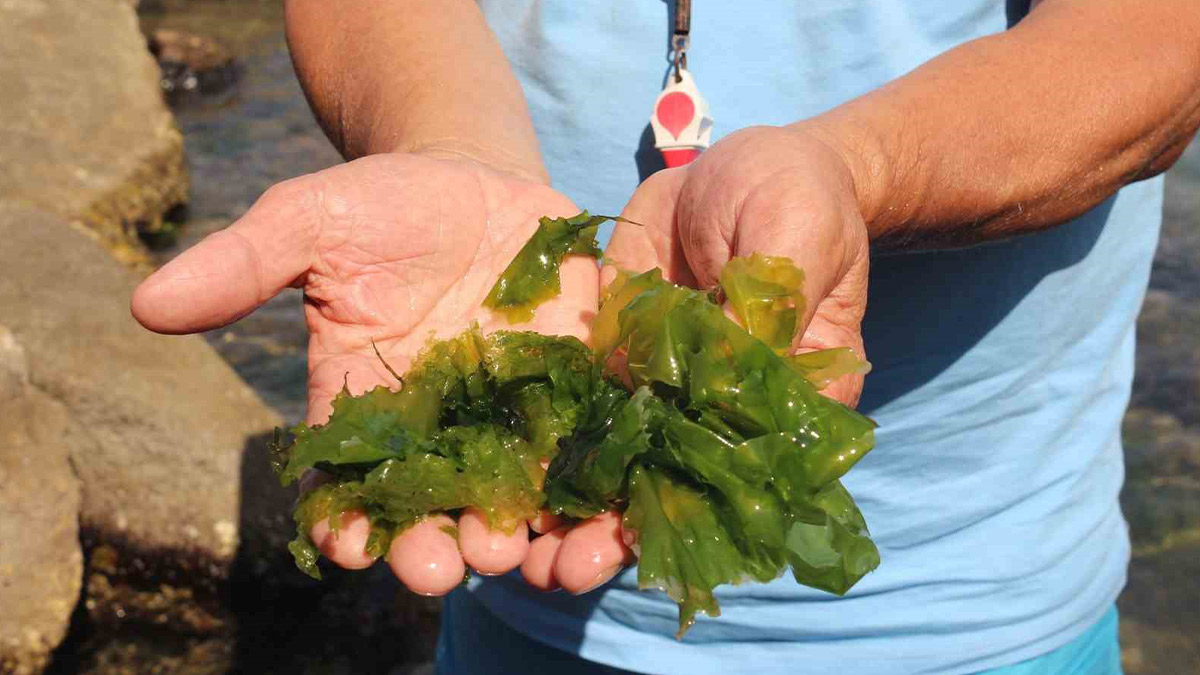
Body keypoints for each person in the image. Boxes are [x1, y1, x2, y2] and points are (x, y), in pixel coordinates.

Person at [131, 1, 1200, 673]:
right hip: (521, 600)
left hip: (973, 606)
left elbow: (1158, 35)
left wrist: (857, 168)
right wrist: (442, 141)